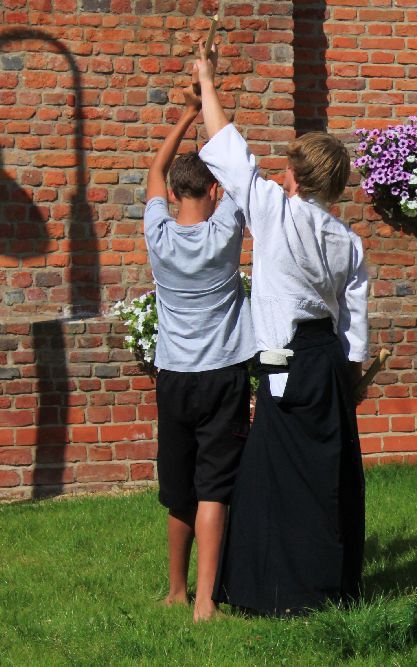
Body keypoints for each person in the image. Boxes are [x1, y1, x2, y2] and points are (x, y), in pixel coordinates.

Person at [193, 43, 369, 616]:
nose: (279, 171)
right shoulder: (349, 240)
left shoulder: (276, 210)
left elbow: (228, 152)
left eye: (287, 165)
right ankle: (327, 587)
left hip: (286, 362)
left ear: (295, 176)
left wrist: (206, 81)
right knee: (324, 476)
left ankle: (276, 594)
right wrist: (351, 380)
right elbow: (355, 323)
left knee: (276, 479)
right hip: (324, 363)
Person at [143, 76, 256, 622]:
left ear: (173, 196)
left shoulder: (158, 236)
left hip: (174, 377)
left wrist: (184, 115)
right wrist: (208, 99)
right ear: (212, 192)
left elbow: (153, 173)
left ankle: (175, 589)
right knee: (215, 485)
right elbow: (239, 173)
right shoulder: (225, 231)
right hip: (224, 375)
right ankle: (208, 600)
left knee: (180, 485)